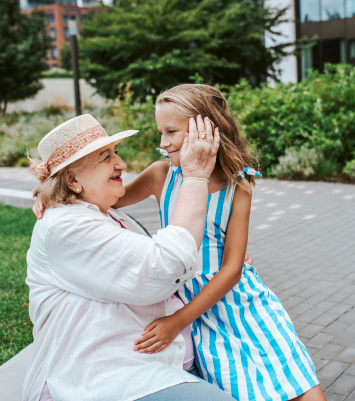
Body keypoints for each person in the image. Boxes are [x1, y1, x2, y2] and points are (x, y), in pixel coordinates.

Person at [35, 85, 325, 401]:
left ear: (206, 129)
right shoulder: (162, 175)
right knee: (248, 390)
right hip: (194, 310)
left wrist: (177, 322)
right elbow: (107, 197)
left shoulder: (239, 185)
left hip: (236, 303)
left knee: (301, 387)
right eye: (161, 131)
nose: (163, 142)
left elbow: (232, 269)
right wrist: (50, 196)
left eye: (171, 131)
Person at [22, 114, 234, 401]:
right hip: (104, 380)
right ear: (72, 179)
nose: (121, 164)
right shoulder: (65, 226)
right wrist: (196, 176)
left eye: (116, 153)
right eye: (105, 157)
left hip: (148, 371)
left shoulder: (104, 214)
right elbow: (166, 266)